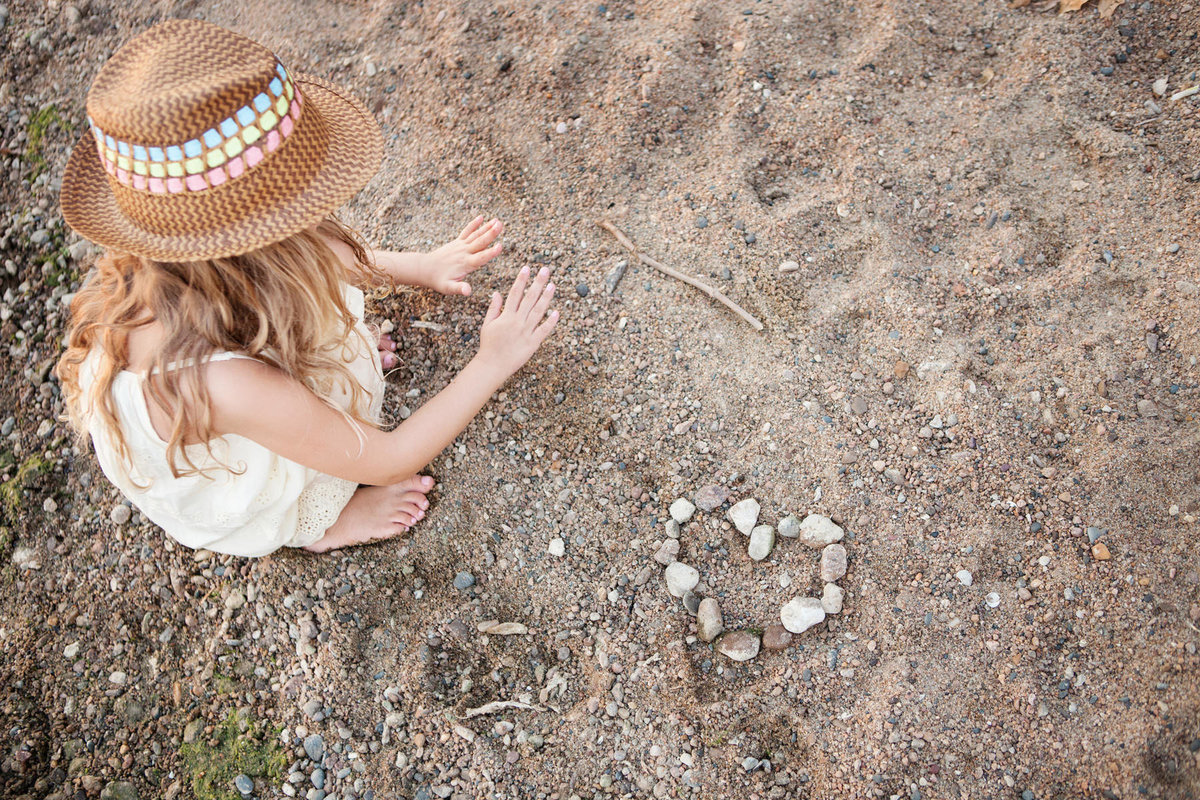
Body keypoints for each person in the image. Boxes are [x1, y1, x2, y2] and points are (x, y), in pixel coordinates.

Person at [54, 19, 558, 557]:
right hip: (227, 461)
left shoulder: (171, 265)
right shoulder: (227, 387)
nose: (316, 213)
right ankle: (319, 529)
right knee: (316, 458)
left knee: (321, 349)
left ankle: (325, 390)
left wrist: (422, 266)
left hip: (238, 378)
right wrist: (491, 361)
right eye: (298, 212)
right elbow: (391, 459)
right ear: (266, 250)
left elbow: (316, 261)